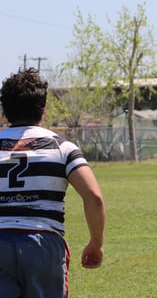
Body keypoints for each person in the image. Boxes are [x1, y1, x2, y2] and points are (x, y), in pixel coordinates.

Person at [0, 68, 106, 297]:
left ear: (5, 110)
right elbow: (94, 197)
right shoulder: (62, 148)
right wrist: (96, 243)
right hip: (43, 243)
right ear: (43, 110)